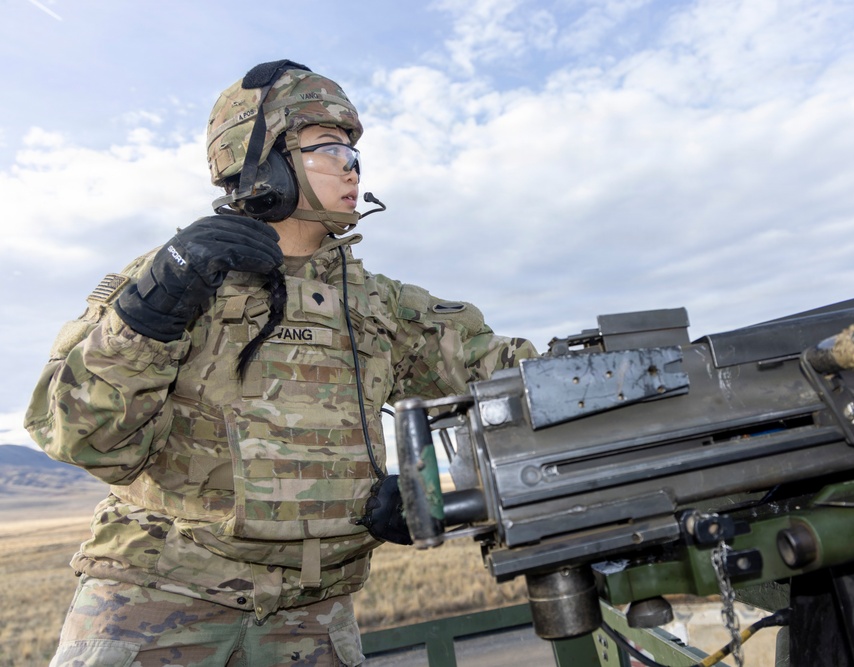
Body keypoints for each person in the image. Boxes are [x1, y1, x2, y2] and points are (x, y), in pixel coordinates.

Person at [25, 59, 536, 667]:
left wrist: (434, 492)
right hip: (154, 601)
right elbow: (81, 437)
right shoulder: (168, 281)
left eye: (355, 157)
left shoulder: (384, 308)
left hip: (313, 614)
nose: (353, 172)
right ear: (261, 161)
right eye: (330, 151)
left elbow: (515, 386)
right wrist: (153, 312)